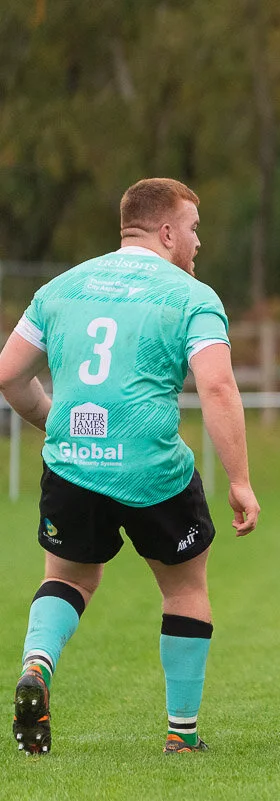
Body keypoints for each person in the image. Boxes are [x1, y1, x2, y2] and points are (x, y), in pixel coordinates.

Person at [0, 178, 258, 755]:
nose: (198, 242)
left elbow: (9, 374)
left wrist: (54, 421)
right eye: (193, 229)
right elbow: (217, 387)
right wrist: (239, 480)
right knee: (184, 589)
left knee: (68, 579)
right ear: (166, 232)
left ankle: (37, 666)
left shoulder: (60, 288)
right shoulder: (192, 296)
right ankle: (181, 735)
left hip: (72, 463)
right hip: (152, 470)